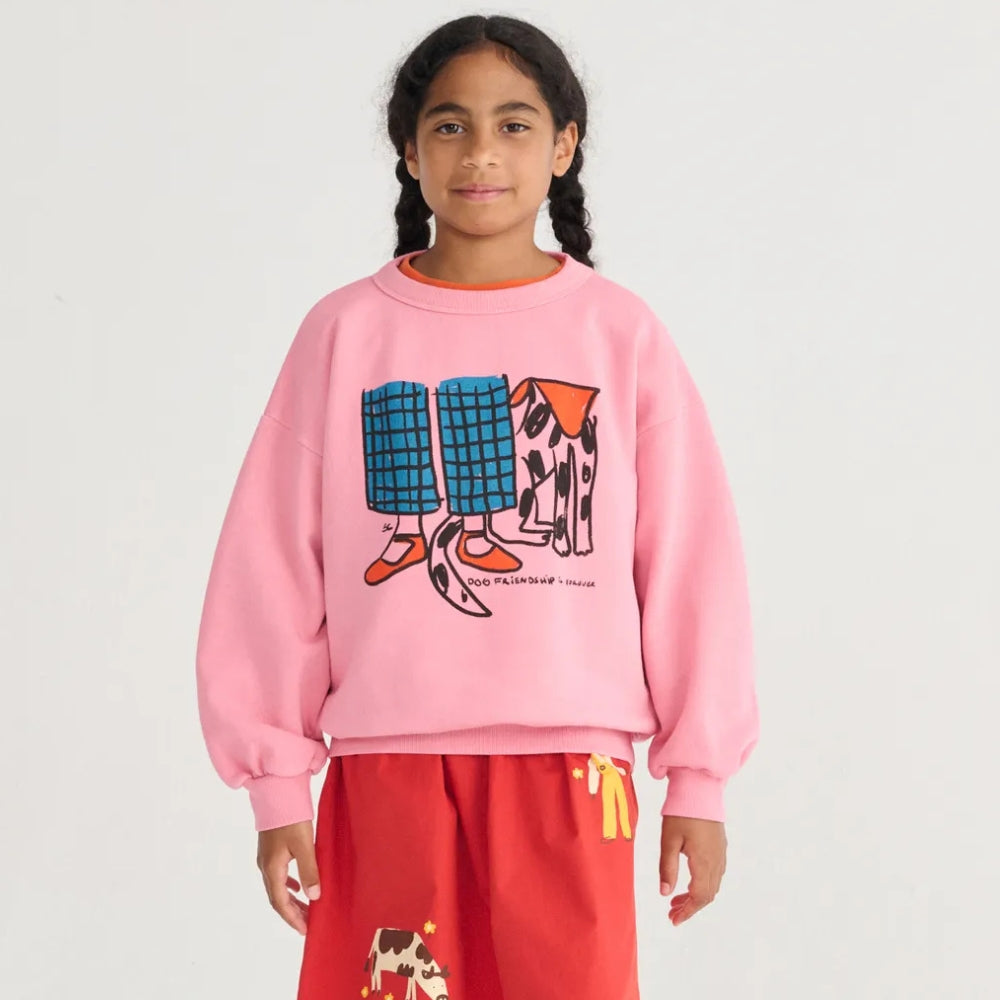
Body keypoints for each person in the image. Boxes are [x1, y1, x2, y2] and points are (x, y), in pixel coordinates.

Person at [195, 13, 760, 999]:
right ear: (409, 150)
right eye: (450, 125)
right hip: (386, 768)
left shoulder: (617, 333)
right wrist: (275, 783)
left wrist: (698, 778)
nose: (481, 153)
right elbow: (271, 562)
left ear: (563, 145)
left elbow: (688, 563)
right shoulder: (345, 332)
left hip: (572, 769)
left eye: (514, 125)